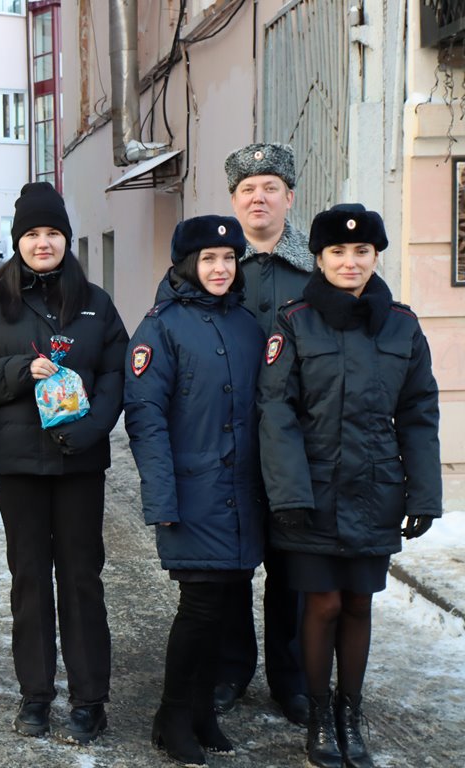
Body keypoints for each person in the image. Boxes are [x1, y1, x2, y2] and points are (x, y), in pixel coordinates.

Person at [258, 204, 440, 768]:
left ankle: (349, 713)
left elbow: (418, 413)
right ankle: (317, 717)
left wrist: (424, 493)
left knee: (359, 602)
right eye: (337, 251)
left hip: (375, 488)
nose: (350, 261)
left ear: (375, 256)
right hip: (311, 491)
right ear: (318, 257)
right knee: (323, 603)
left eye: (361, 251)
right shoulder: (295, 321)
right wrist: (287, 493)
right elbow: (276, 410)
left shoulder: (403, 325)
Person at [0, 182, 128, 744]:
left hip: (79, 463)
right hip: (16, 463)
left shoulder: (96, 303)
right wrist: (16, 373)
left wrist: (93, 426)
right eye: (32, 234)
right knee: (29, 578)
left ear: (66, 239)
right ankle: (35, 695)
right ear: (17, 241)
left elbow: (115, 373)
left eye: (52, 232)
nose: (43, 242)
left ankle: (88, 699)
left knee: (81, 578)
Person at [123, 216, 266, 767]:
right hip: (193, 494)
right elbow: (146, 416)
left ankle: (202, 711)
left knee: (229, 605)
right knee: (201, 607)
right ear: (187, 264)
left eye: (229, 259)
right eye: (208, 259)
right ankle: (172, 715)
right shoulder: (160, 328)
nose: (220, 269)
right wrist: (161, 498)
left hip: (242, 496)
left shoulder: (248, 326)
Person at [215, 141, 312, 724]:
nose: (259, 197)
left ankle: (292, 677)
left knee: (293, 564)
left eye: (270, 187)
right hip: (227, 443)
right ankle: (229, 668)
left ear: (289, 197)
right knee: (228, 565)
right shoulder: (214, 267)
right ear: (233, 200)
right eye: (248, 189)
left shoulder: (315, 270)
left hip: (298, 444)